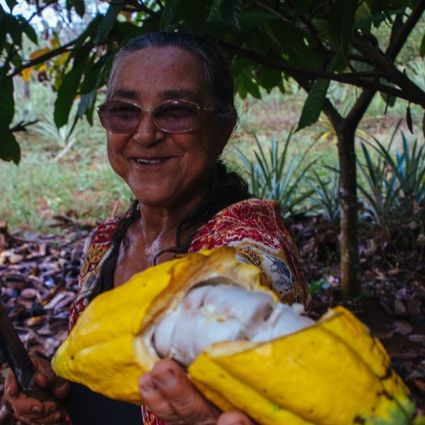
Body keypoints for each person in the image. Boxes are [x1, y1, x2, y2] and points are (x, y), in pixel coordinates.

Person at [3, 31, 310, 425]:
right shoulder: (105, 242)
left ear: (223, 127)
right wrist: (63, 389)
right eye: (125, 111)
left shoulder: (248, 252)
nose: (145, 134)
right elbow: (113, 381)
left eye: (176, 110)